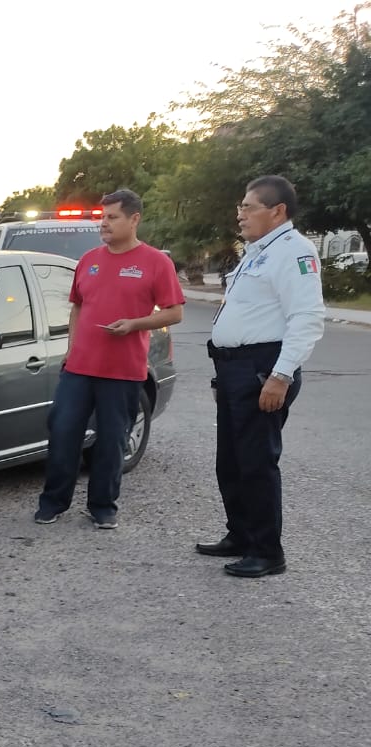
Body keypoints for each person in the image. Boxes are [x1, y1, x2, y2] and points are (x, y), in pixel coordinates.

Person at [196, 175, 325, 577]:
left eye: (248, 207)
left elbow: (306, 317)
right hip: (235, 368)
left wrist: (280, 375)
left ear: (277, 211)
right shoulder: (257, 252)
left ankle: (268, 552)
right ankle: (241, 534)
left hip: (263, 369)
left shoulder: (295, 252)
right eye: (240, 207)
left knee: (256, 463)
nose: (240, 214)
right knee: (230, 462)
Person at [34, 189, 183, 529]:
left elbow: (174, 313)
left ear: (134, 219)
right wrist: (71, 349)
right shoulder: (89, 260)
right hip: (80, 368)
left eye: (113, 217)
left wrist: (135, 324)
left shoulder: (156, 262)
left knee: (113, 440)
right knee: (63, 432)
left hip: (124, 370)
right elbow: (77, 306)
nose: (104, 223)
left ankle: (103, 506)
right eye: (103, 217)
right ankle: (53, 502)